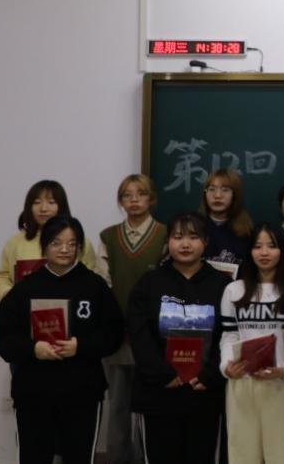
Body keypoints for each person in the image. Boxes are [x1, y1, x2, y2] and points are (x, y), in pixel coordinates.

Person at [0, 216, 124, 464]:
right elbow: (4, 338)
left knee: (79, 457)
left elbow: (114, 333)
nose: (64, 249)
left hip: (82, 391)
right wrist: (34, 348)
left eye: (72, 243)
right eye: (56, 243)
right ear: (44, 246)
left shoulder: (95, 286)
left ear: (79, 247)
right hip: (33, 391)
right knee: (33, 457)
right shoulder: (25, 289)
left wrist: (81, 346)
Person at [127, 212, 232, 464]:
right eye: (177, 237)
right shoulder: (149, 283)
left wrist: (210, 375)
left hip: (205, 395)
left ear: (206, 242)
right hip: (159, 394)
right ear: (168, 242)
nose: (185, 244)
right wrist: (163, 374)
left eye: (193, 237)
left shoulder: (223, 285)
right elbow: (139, 335)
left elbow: (229, 334)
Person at [97, 174, 168, 464]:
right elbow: (103, 284)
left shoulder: (167, 234)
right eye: (127, 195)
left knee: (151, 402)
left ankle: (147, 457)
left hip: (153, 335)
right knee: (118, 403)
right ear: (121, 201)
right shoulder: (108, 237)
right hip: (117, 334)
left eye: (141, 193)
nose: (134, 200)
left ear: (152, 198)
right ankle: (118, 458)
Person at [219, 222, 284, 464]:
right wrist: (227, 366)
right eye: (257, 246)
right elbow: (229, 334)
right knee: (242, 455)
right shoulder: (234, 290)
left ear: (283, 250)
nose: (264, 252)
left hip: (282, 383)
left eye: (271, 246)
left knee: (282, 455)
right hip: (241, 382)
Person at [0, 179, 98, 301]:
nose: (43, 208)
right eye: (36, 202)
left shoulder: (79, 240)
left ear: (61, 206)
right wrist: (8, 294)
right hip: (25, 307)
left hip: (70, 306)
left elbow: (92, 275)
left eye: (51, 202)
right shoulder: (15, 242)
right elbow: (2, 276)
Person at [199, 169, 253, 273]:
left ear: (235, 195)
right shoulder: (194, 227)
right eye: (212, 189)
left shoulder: (246, 232)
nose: (217, 195)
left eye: (225, 190)